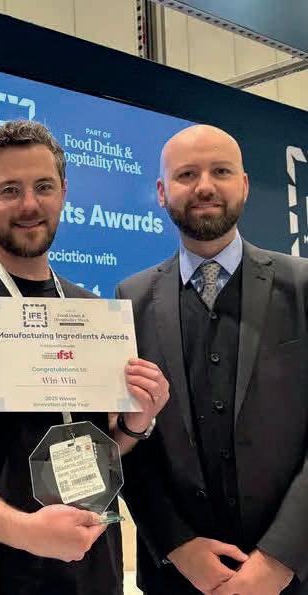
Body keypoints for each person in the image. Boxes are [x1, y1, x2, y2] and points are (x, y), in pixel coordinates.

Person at [0, 120, 169, 595]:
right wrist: (28, 532)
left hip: (92, 576)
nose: (29, 205)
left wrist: (135, 423)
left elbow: (98, 447)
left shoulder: (89, 311)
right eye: (9, 190)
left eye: (43, 187)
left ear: (64, 193)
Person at [117, 124, 308, 595]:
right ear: (162, 192)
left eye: (220, 171)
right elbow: (131, 442)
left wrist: (279, 559)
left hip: (293, 575)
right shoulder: (130, 300)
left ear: (243, 184)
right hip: (177, 577)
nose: (204, 186)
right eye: (186, 174)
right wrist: (178, 546)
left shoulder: (303, 286)